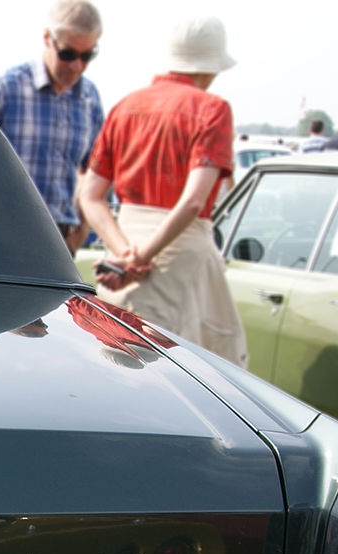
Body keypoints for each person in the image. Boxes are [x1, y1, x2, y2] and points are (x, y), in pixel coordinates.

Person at [78, 15, 246, 368]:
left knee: (119, 358)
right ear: (211, 65)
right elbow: (193, 202)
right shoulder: (212, 109)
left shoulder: (127, 106)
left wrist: (124, 253)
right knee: (195, 371)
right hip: (178, 249)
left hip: (122, 245)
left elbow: (90, 195)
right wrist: (142, 257)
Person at [0, 0, 105, 253]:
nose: (76, 65)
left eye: (86, 56)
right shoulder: (5, 88)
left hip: (62, 239)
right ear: (47, 38)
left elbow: (95, 171)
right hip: (3, 234)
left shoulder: (89, 98)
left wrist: (83, 229)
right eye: (67, 54)